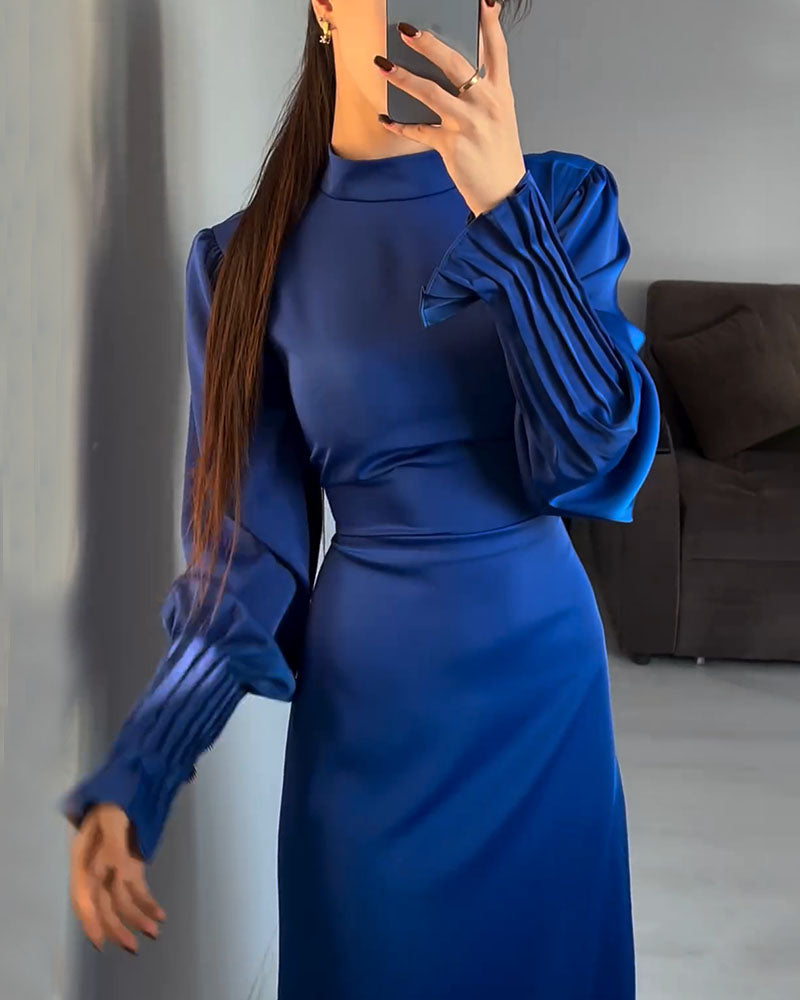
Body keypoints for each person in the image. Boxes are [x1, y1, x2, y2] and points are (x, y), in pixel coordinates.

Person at [59, 1, 661, 996]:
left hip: (541, 704)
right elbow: (240, 568)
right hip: (370, 726)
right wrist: (140, 771)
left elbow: (590, 459)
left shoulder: (559, 199)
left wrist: (508, 211)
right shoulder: (243, 262)